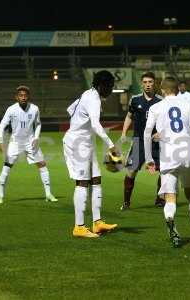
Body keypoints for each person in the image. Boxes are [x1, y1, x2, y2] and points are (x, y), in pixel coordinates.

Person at [144, 77, 190, 247]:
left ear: (162, 91)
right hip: (188, 154)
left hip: (169, 156)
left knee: (170, 197)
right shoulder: (187, 104)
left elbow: (147, 133)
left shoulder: (156, 107)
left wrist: (149, 159)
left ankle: (171, 222)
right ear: (178, 89)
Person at [63, 70, 118, 238]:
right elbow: (95, 124)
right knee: (82, 182)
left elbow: (70, 109)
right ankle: (79, 227)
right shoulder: (93, 98)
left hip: (86, 142)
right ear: (102, 85)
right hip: (78, 143)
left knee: (96, 179)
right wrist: (111, 145)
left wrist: (79, 123)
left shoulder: (87, 93)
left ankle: (97, 223)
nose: (111, 90)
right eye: (110, 87)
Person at [0, 85, 58, 204]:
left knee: (42, 164)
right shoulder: (11, 109)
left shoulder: (34, 108)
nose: (23, 97)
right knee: (7, 166)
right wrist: (0, 141)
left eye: (25, 95)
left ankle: (48, 194)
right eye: (21, 95)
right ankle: (0, 195)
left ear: (28, 96)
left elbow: (38, 123)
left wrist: (36, 137)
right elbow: (2, 125)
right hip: (15, 142)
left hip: (30, 141)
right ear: (16, 97)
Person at [120, 71, 164, 210]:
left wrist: (161, 133)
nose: (148, 85)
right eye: (145, 82)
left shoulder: (161, 101)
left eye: (150, 82)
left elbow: (166, 121)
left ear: (154, 83)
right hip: (138, 141)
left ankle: (159, 199)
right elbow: (129, 116)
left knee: (163, 171)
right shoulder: (135, 99)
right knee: (131, 171)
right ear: (141, 84)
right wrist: (123, 133)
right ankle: (126, 202)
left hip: (156, 143)